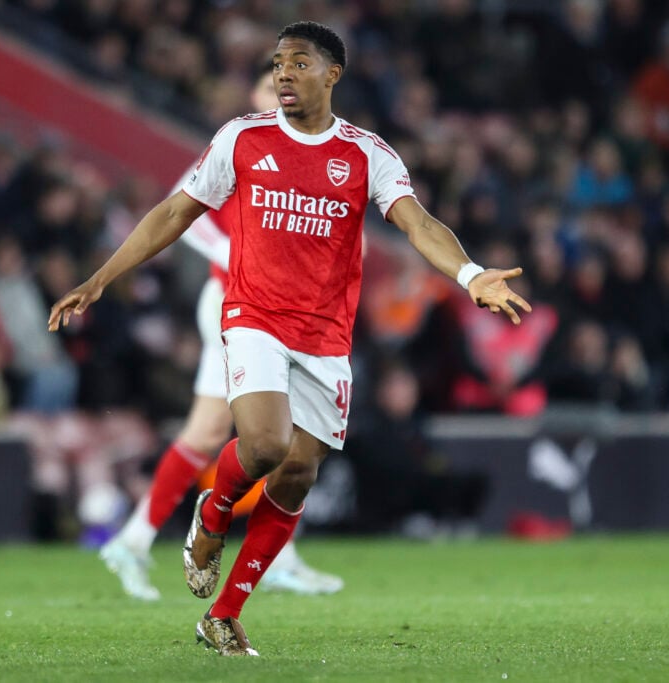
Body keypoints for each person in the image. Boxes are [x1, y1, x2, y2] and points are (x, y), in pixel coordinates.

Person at [49, 22, 529, 656]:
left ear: (331, 74)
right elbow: (175, 212)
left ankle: (221, 615)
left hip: (326, 338)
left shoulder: (366, 154)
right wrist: (102, 277)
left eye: (297, 63)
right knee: (267, 444)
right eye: (277, 63)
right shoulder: (242, 139)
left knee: (299, 474)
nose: (282, 74)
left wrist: (469, 275)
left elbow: (418, 224)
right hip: (252, 316)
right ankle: (213, 513)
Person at [98, 70, 343, 601]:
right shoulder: (241, 143)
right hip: (242, 307)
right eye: (270, 91)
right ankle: (275, 558)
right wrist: (241, 258)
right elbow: (186, 215)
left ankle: (134, 540)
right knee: (278, 433)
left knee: (210, 433)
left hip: (271, 309)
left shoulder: (305, 153)